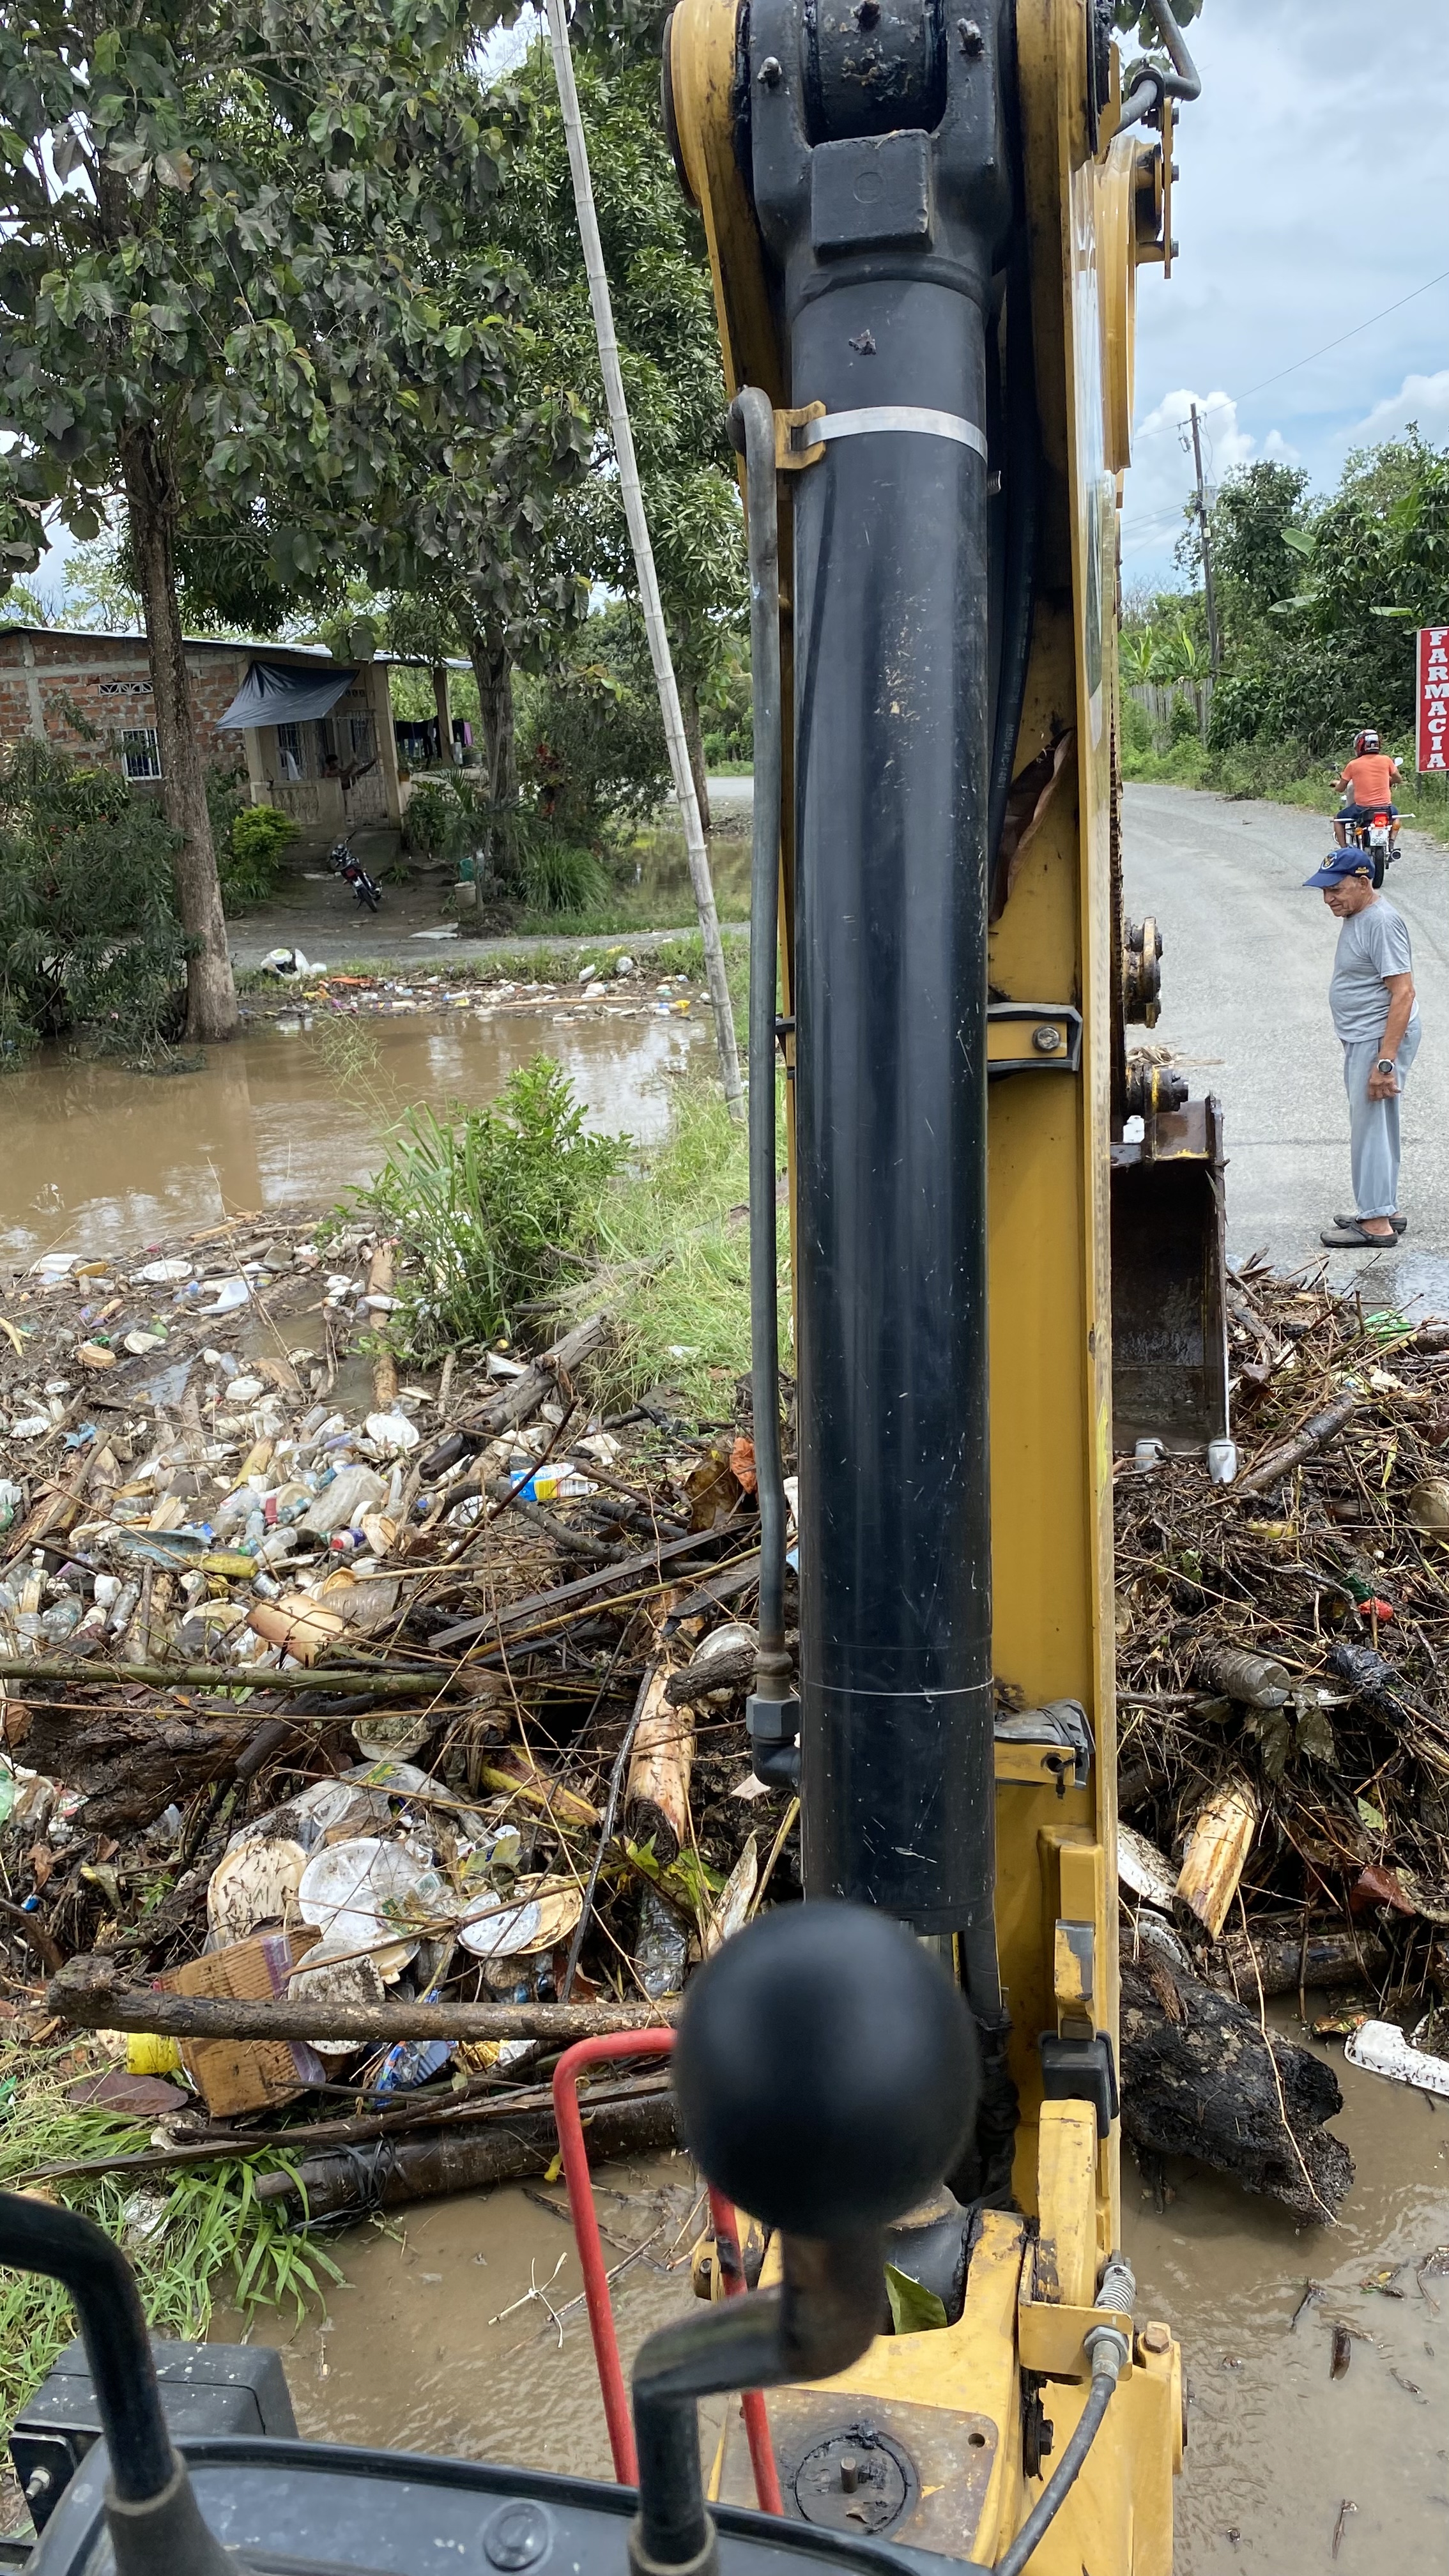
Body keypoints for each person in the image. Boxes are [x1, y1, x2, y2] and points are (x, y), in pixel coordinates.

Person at [1304, 848, 1420, 1248]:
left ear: (1364, 882)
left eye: (1336, 890)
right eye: (1324, 891)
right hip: (1368, 1035)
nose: (1328, 899)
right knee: (1378, 1123)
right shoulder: (1361, 915)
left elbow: (1403, 993)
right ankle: (1384, 1208)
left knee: (1369, 1127)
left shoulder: (1381, 922)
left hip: (1378, 1038)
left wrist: (1384, 1063)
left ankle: (1375, 1223)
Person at [1332, 728, 1402, 851]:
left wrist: (1335, 786)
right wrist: (1389, 782)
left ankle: (1344, 849)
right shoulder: (1386, 760)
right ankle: (1391, 843)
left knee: (1338, 819)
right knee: (1396, 816)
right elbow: (1398, 778)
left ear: (1359, 745)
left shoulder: (1353, 764)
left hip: (1362, 809)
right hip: (1385, 808)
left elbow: (1341, 787)